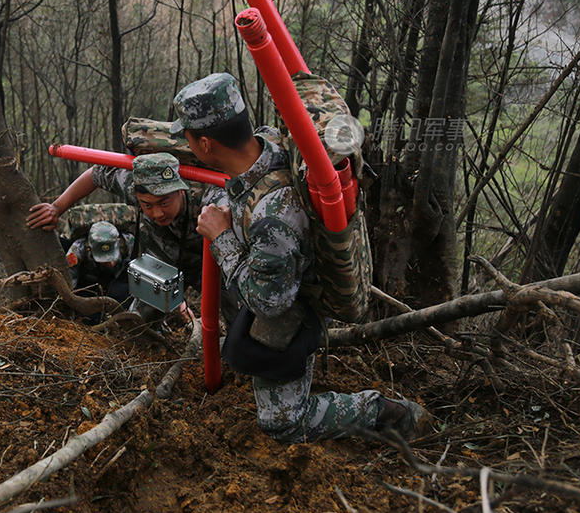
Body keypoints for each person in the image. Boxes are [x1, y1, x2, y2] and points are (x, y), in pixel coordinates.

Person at [172, 72, 430, 443]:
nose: (188, 144)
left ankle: (385, 411)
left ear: (207, 144)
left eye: (190, 138)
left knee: (282, 425)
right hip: (281, 271)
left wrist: (221, 238)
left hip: (295, 301)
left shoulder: (272, 215)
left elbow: (270, 303)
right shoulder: (270, 143)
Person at [27, 152, 205, 323]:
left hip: (207, 263)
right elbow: (96, 173)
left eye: (164, 203)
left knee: (231, 313)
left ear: (180, 191)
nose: (157, 213)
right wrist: (57, 208)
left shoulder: (205, 200)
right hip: (160, 267)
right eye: (147, 205)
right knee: (138, 325)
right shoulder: (131, 185)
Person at [66, 221, 135, 303]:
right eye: (104, 260)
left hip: (118, 280)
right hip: (90, 283)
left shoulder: (129, 242)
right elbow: (70, 282)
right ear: (90, 249)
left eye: (112, 258)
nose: (111, 263)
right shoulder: (77, 249)